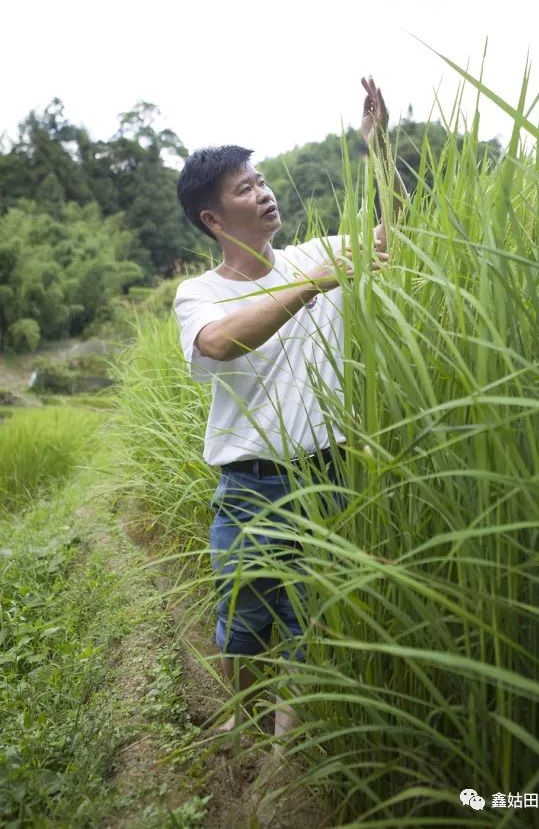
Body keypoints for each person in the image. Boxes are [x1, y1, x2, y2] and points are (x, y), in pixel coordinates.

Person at [173, 76, 407, 747]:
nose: (264, 192)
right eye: (244, 188)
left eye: (263, 180)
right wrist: (312, 285)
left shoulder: (313, 255)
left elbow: (394, 232)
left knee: (313, 617)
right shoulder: (200, 293)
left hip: (325, 476)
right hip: (250, 484)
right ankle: (243, 722)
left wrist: (378, 147)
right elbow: (217, 343)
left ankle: (283, 746)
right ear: (213, 219)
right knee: (244, 623)